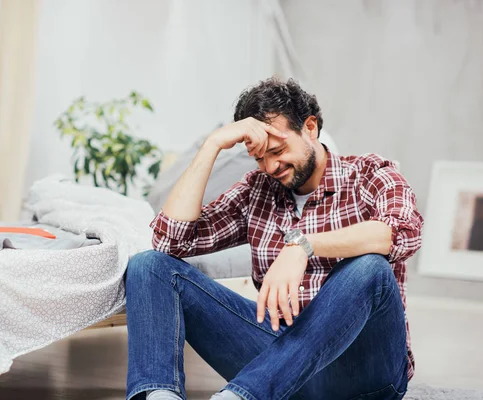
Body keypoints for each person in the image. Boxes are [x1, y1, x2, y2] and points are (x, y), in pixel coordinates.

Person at [124, 78, 424, 400]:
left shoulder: (370, 173)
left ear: (310, 128)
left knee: (370, 269)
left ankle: (240, 396)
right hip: (282, 365)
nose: (271, 166)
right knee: (149, 266)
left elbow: (404, 231)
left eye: (278, 151)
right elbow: (170, 240)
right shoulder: (258, 190)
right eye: (260, 157)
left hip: (362, 375)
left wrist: (302, 246)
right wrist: (211, 146)